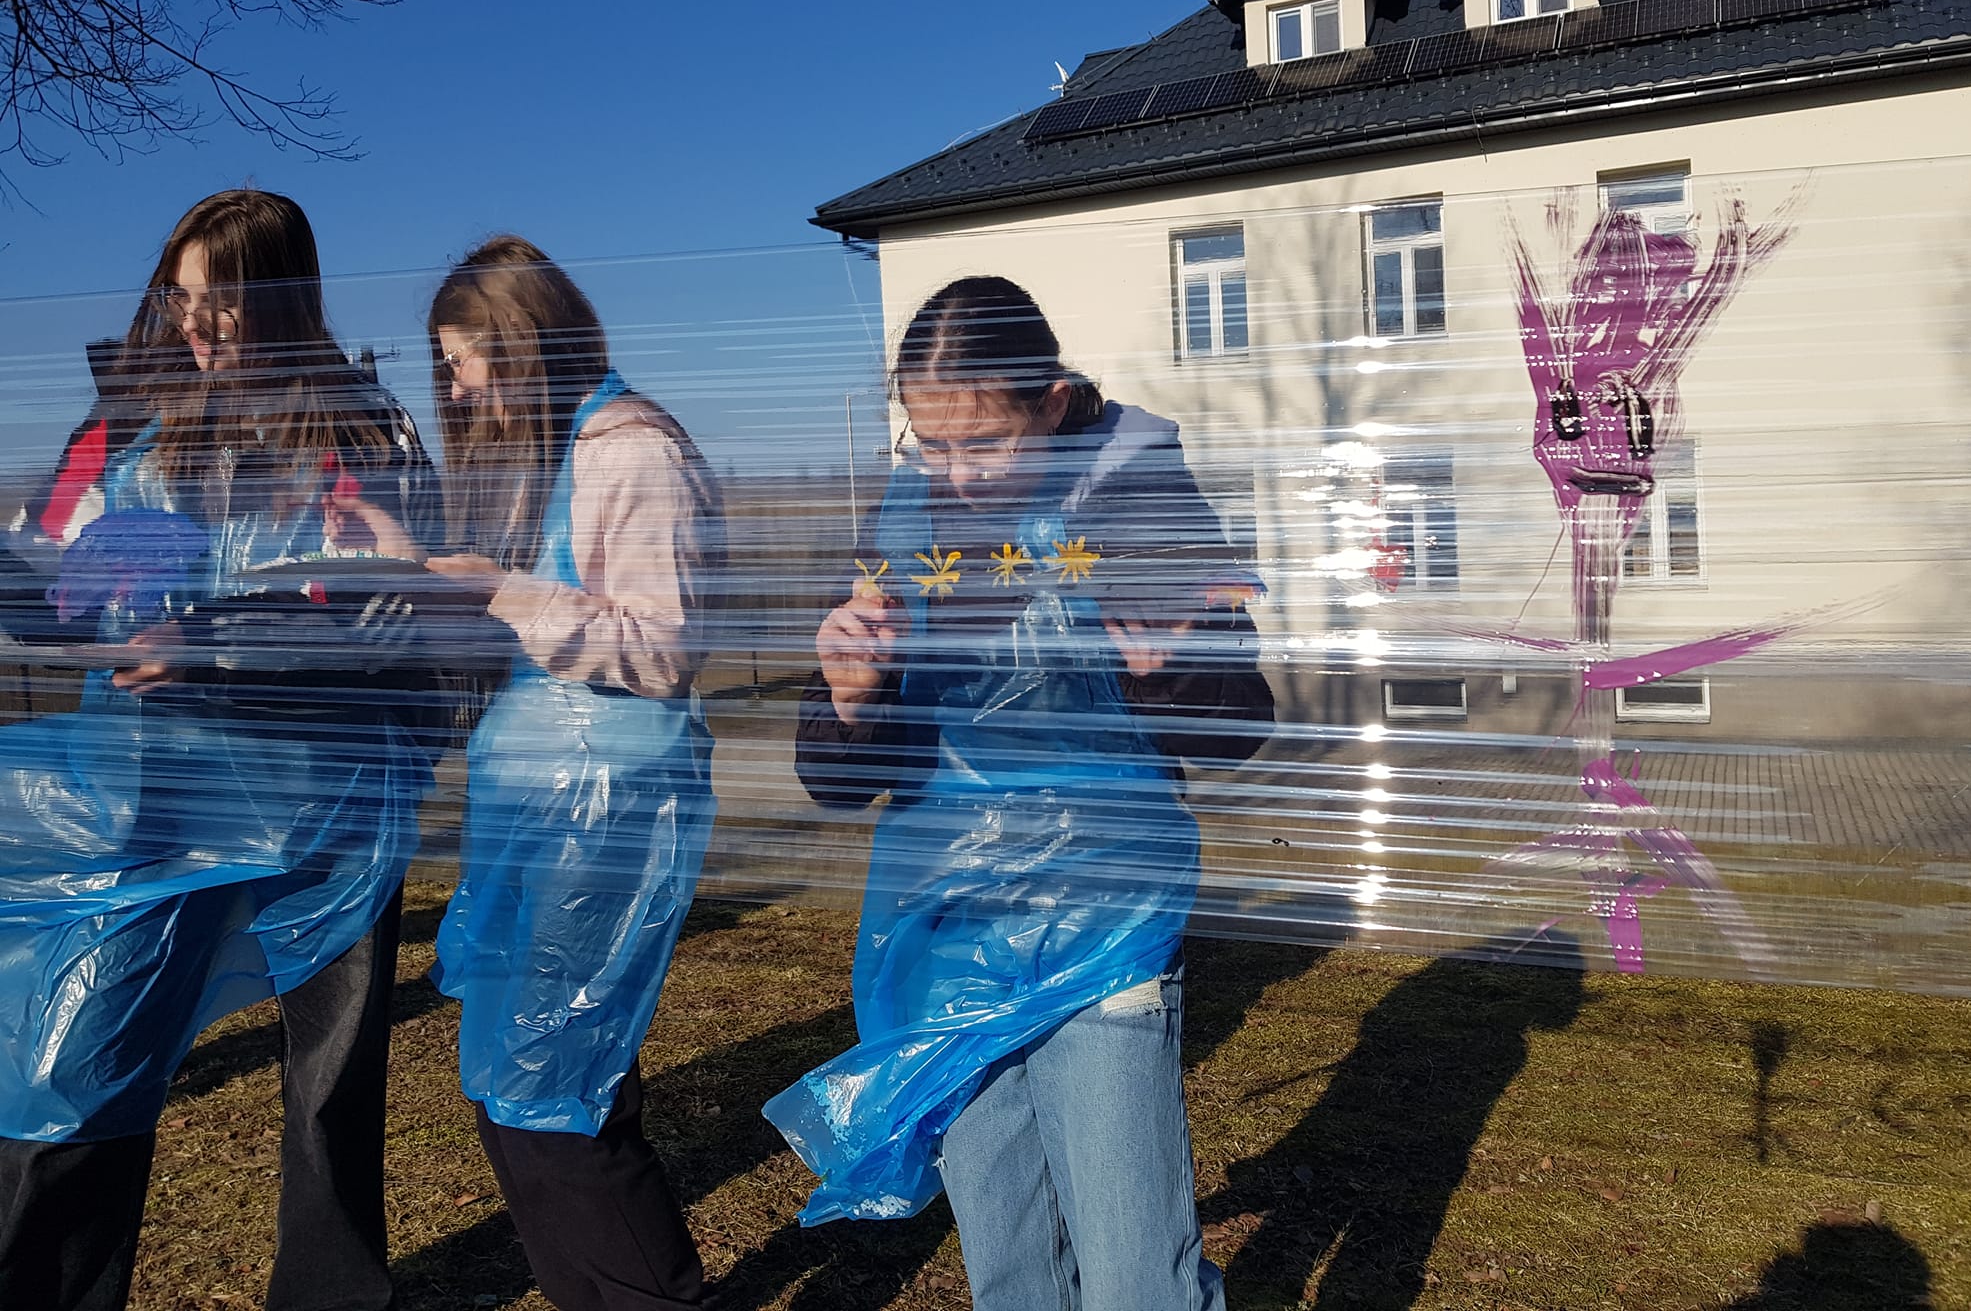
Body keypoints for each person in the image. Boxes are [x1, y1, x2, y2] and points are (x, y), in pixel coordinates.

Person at [767, 276, 1272, 1310]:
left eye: (984, 443)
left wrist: (1168, 669)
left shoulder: (1140, 500)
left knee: (1136, 1277)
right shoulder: (899, 526)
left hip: (1101, 929)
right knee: (1009, 1270)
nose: (956, 476)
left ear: (1049, 403)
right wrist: (849, 700)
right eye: (930, 446)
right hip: (946, 935)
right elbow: (836, 781)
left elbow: (1239, 724)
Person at [0, 189, 443, 1311]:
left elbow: (394, 614)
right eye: (181, 297)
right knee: (77, 1061)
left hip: (331, 806)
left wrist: (216, 648)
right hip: (151, 797)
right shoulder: (128, 429)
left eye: (225, 299)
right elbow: (47, 586)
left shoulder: (360, 429)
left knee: (330, 1088)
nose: (196, 323)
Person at [329, 236, 723, 1311]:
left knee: (556, 1094)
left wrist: (500, 591)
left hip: (607, 813)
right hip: (545, 809)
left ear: (526, 341)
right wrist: (403, 562)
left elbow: (664, 647)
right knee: (522, 1089)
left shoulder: (631, 452)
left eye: (464, 361)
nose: (456, 388)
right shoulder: (557, 455)